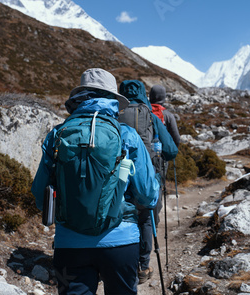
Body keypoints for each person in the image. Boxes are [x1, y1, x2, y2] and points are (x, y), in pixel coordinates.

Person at [31, 68, 160, 295]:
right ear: (113, 100)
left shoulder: (58, 135)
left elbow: (40, 197)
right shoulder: (127, 135)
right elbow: (147, 195)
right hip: (121, 242)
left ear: (78, 98)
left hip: (69, 245)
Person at [118, 80, 178, 284]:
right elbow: (171, 150)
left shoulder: (113, 115)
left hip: (117, 179)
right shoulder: (152, 117)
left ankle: (120, 262)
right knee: (145, 218)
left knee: (119, 217)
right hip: (146, 178)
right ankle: (143, 267)